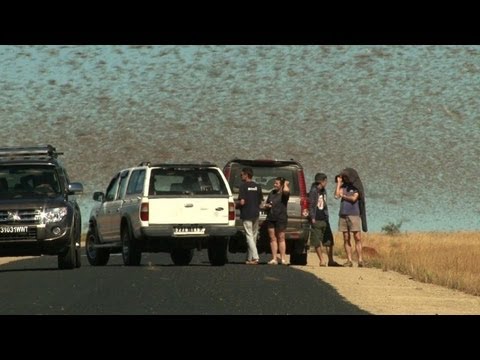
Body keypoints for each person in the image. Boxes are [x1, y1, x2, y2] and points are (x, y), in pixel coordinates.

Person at [334, 168, 367, 267]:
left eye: (345, 177)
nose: (344, 178)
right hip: (343, 215)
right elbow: (336, 196)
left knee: (357, 237)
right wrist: (339, 183)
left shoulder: (356, 187)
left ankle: (360, 260)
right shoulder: (342, 186)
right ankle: (349, 260)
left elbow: (354, 198)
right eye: (342, 177)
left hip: (354, 214)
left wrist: (343, 196)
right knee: (346, 237)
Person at [308, 173, 341, 267]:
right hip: (316, 218)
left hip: (324, 218)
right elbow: (311, 205)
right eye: (325, 181)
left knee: (328, 240)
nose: (326, 183)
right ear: (322, 181)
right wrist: (312, 217)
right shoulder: (314, 191)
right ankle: (322, 260)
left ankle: (331, 260)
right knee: (316, 240)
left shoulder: (324, 191)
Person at [238, 167, 263, 265]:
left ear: (246, 175)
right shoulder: (258, 186)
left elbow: (242, 202)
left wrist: (237, 205)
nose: (241, 176)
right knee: (254, 236)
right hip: (256, 214)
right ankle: (249, 258)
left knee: (249, 236)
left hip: (247, 214)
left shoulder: (243, 186)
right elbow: (261, 202)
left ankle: (256, 257)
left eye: (241, 174)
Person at [264, 177, 290, 265]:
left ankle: (283, 258)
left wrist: (286, 184)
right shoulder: (272, 193)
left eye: (277, 183)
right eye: (274, 183)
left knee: (281, 237)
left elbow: (286, 191)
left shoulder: (284, 193)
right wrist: (267, 206)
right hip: (271, 217)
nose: (275, 185)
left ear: (281, 185)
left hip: (281, 218)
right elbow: (267, 203)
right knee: (272, 238)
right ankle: (274, 258)